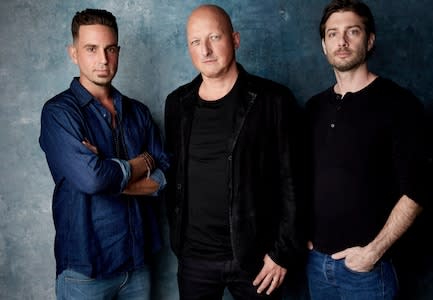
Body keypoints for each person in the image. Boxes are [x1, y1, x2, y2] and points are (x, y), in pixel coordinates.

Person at [164, 4, 303, 300]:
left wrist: (282, 253)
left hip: (256, 257)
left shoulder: (273, 100)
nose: (206, 50)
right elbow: (174, 176)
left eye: (215, 37)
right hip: (194, 259)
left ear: (235, 39)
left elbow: (293, 181)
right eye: (195, 42)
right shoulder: (177, 103)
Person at [39, 8, 169, 300]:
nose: (103, 60)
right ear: (74, 53)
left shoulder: (138, 112)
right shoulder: (59, 113)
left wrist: (107, 172)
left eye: (110, 49)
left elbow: (165, 173)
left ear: (118, 51)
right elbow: (92, 180)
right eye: (91, 49)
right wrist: (139, 164)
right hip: (86, 271)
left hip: (138, 265)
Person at [305, 0, 428, 299]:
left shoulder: (399, 104)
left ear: (369, 40)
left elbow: (419, 190)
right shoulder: (313, 108)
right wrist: (306, 238)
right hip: (316, 265)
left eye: (353, 31)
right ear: (324, 45)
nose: (342, 41)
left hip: (367, 271)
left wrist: (372, 252)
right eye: (333, 34)